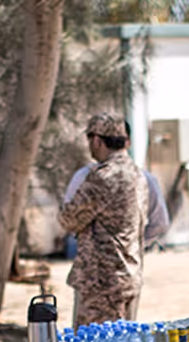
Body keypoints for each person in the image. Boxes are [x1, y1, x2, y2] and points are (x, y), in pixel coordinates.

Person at [60, 112, 149, 327]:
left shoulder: (102, 177)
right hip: (129, 278)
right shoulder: (139, 175)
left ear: (98, 141)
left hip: (101, 286)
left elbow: (68, 220)